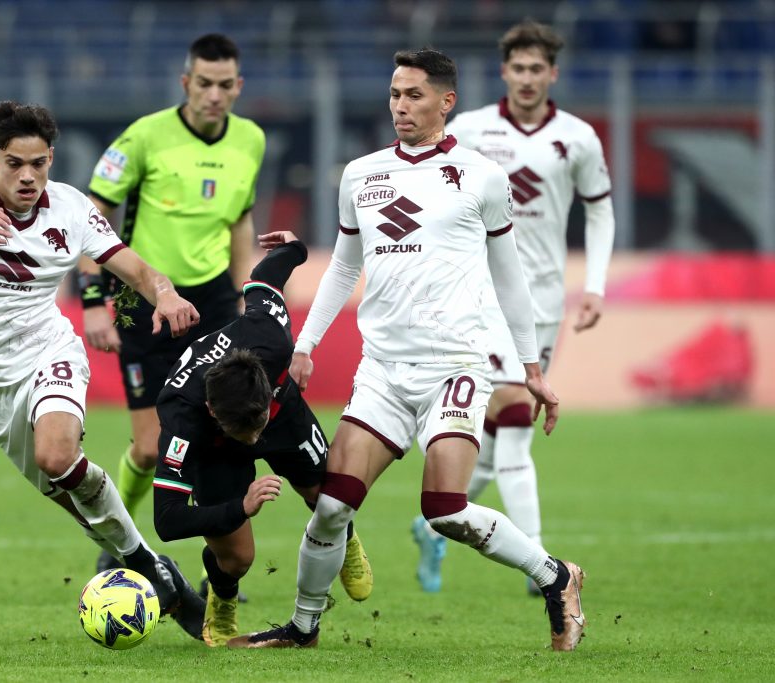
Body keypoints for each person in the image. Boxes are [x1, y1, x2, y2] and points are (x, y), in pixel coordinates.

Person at [227, 48, 586, 652]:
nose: (400, 106)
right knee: (333, 506)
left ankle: (556, 576)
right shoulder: (361, 174)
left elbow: (510, 278)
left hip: (455, 367)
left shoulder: (481, 176)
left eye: (414, 95)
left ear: (446, 102)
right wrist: (306, 344)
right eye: (394, 94)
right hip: (384, 372)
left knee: (445, 508)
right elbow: (344, 266)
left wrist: (530, 369)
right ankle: (304, 626)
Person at [0, 100, 206, 640]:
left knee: (56, 455)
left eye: (40, 163)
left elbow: (133, 265)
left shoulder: (71, 208)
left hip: (48, 351)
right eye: (15, 163)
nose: (27, 176)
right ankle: (150, 566)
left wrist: (164, 294)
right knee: (67, 490)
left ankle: (141, 566)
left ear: (51, 159)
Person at [411, 20, 615, 596]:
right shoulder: (471, 129)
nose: (526, 79)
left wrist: (594, 285)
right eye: (517, 68)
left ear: (552, 73)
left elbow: (600, 211)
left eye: (536, 69)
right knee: (518, 423)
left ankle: (437, 520)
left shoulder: (577, 138)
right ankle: (543, 566)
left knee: (501, 436)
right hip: (481, 295)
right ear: (504, 72)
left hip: (544, 301)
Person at [78, 34, 264, 573]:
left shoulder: (250, 139)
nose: (214, 94)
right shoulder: (144, 137)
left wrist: (250, 293)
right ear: (186, 83)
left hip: (214, 301)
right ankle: (118, 537)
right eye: (203, 83)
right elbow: (94, 216)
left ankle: (222, 561)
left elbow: (241, 221)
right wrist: (93, 300)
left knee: (221, 438)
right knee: (150, 449)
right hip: (144, 300)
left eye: (225, 85)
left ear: (238, 87)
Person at [151, 231, 373, 647]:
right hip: (215, 453)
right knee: (237, 557)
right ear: (213, 412)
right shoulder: (182, 418)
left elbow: (266, 275)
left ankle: (344, 533)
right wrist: (241, 506)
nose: (255, 439)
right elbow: (166, 520)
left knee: (328, 496)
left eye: (256, 425)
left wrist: (294, 247)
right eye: (246, 432)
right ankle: (222, 599)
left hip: (284, 415)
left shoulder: (270, 336)